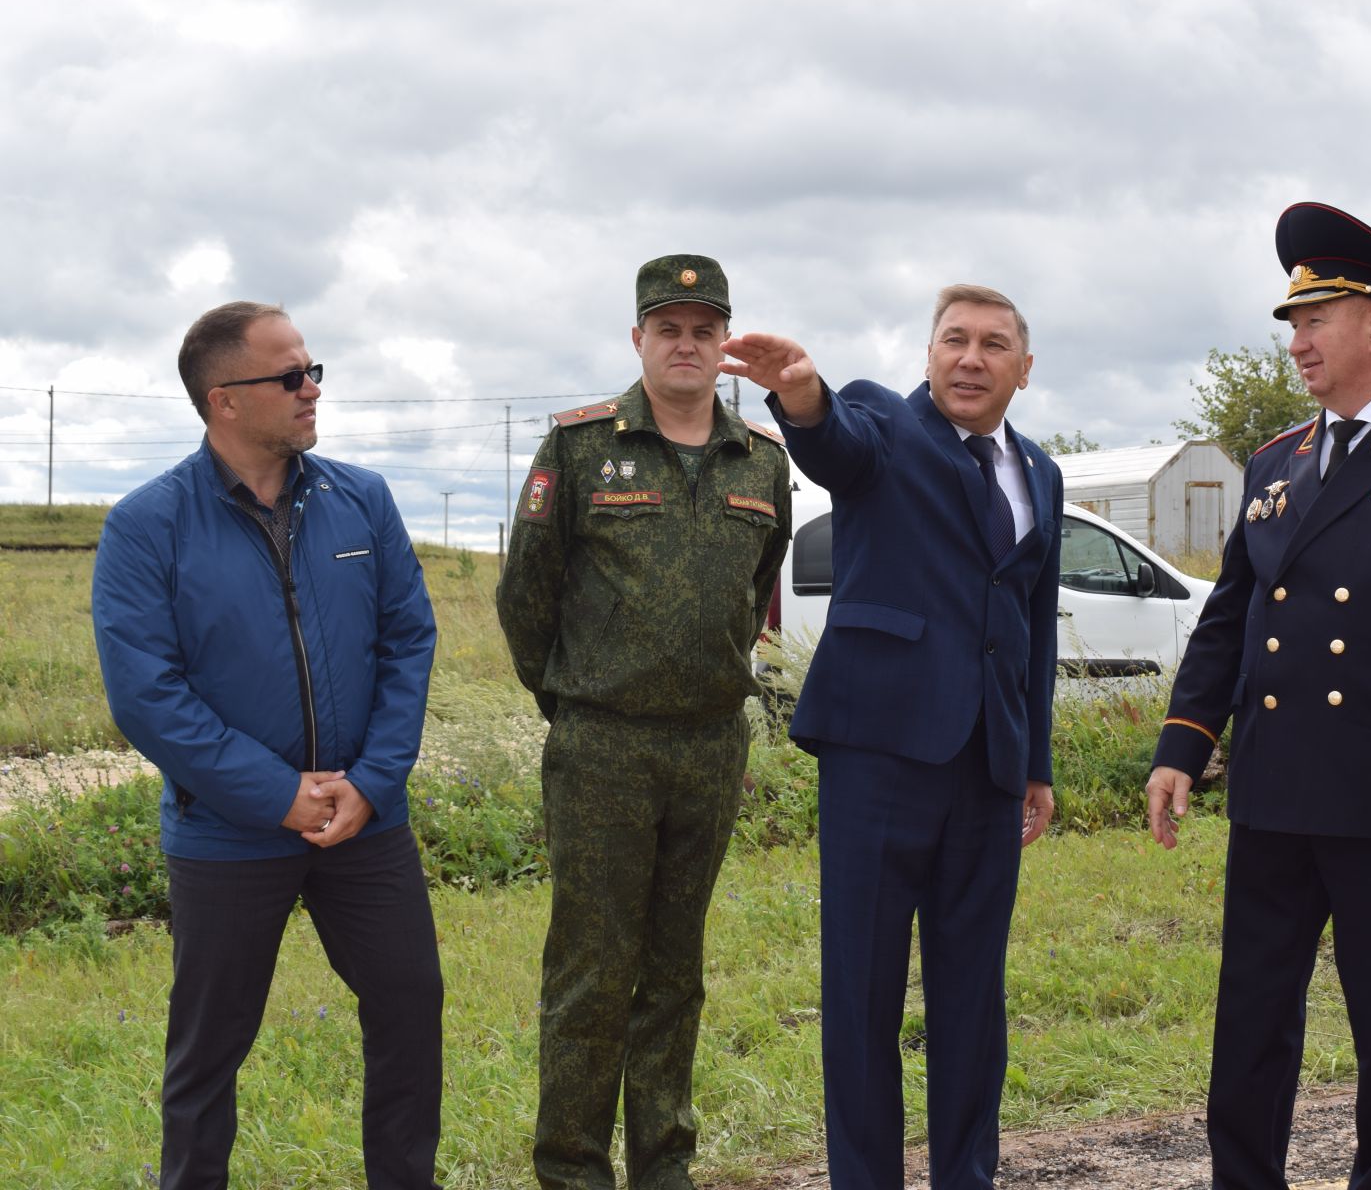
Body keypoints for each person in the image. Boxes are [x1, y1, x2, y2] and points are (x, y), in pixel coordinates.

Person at [1145, 204, 1371, 1190]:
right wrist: (1183, 743)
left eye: (1316, 319)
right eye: (1293, 323)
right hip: (1273, 793)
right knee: (1249, 1029)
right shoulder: (1273, 462)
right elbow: (1230, 614)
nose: (1298, 341)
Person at [717, 284, 1064, 1190]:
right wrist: (802, 396)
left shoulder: (1041, 472)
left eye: (994, 345)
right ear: (927, 356)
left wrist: (1035, 763)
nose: (971, 359)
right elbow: (837, 444)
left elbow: (1031, 624)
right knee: (864, 1000)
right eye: (954, 340)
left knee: (971, 1002)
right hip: (879, 760)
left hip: (988, 769)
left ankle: (967, 1178)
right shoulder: (883, 423)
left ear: (1023, 371)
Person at [92, 301, 443, 1190]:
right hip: (227, 832)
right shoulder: (147, 525)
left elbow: (409, 640)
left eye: (314, 368)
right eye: (289, 376)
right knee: (209, 1048)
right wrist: (276, 793)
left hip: (367, 823)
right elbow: (147, 695)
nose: (311, 388)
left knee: (409, 1007)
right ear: (225, 401)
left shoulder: (362, 498)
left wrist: (370, 781)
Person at [496, 254, 791, 1190]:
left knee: (675, 974)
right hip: (603, 747)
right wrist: (576, 703)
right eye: (669, 328)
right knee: (591, 976)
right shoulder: (582, 449)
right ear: (639, 339)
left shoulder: (764, 462)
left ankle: (665, 1165)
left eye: (706, 330)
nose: (687, 345)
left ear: (725, 346)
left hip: (709, 746)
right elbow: (525, 598)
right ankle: (573, 1170)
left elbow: (756, 596)